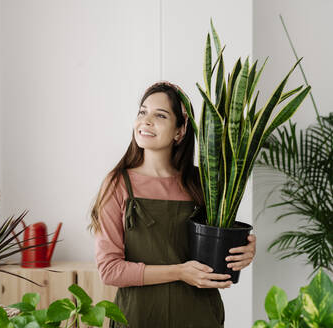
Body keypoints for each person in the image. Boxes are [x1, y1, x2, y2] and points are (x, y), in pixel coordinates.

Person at [88, 81, 257, 327]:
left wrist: (245, 251)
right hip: (138, 317)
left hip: (199, 316)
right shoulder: (118, 183)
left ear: (180, 131)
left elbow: (220, 254)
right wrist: (179, 272)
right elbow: (110, 270)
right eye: (142, 112)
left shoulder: (203, 184)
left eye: (160, 115)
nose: (146, 121)